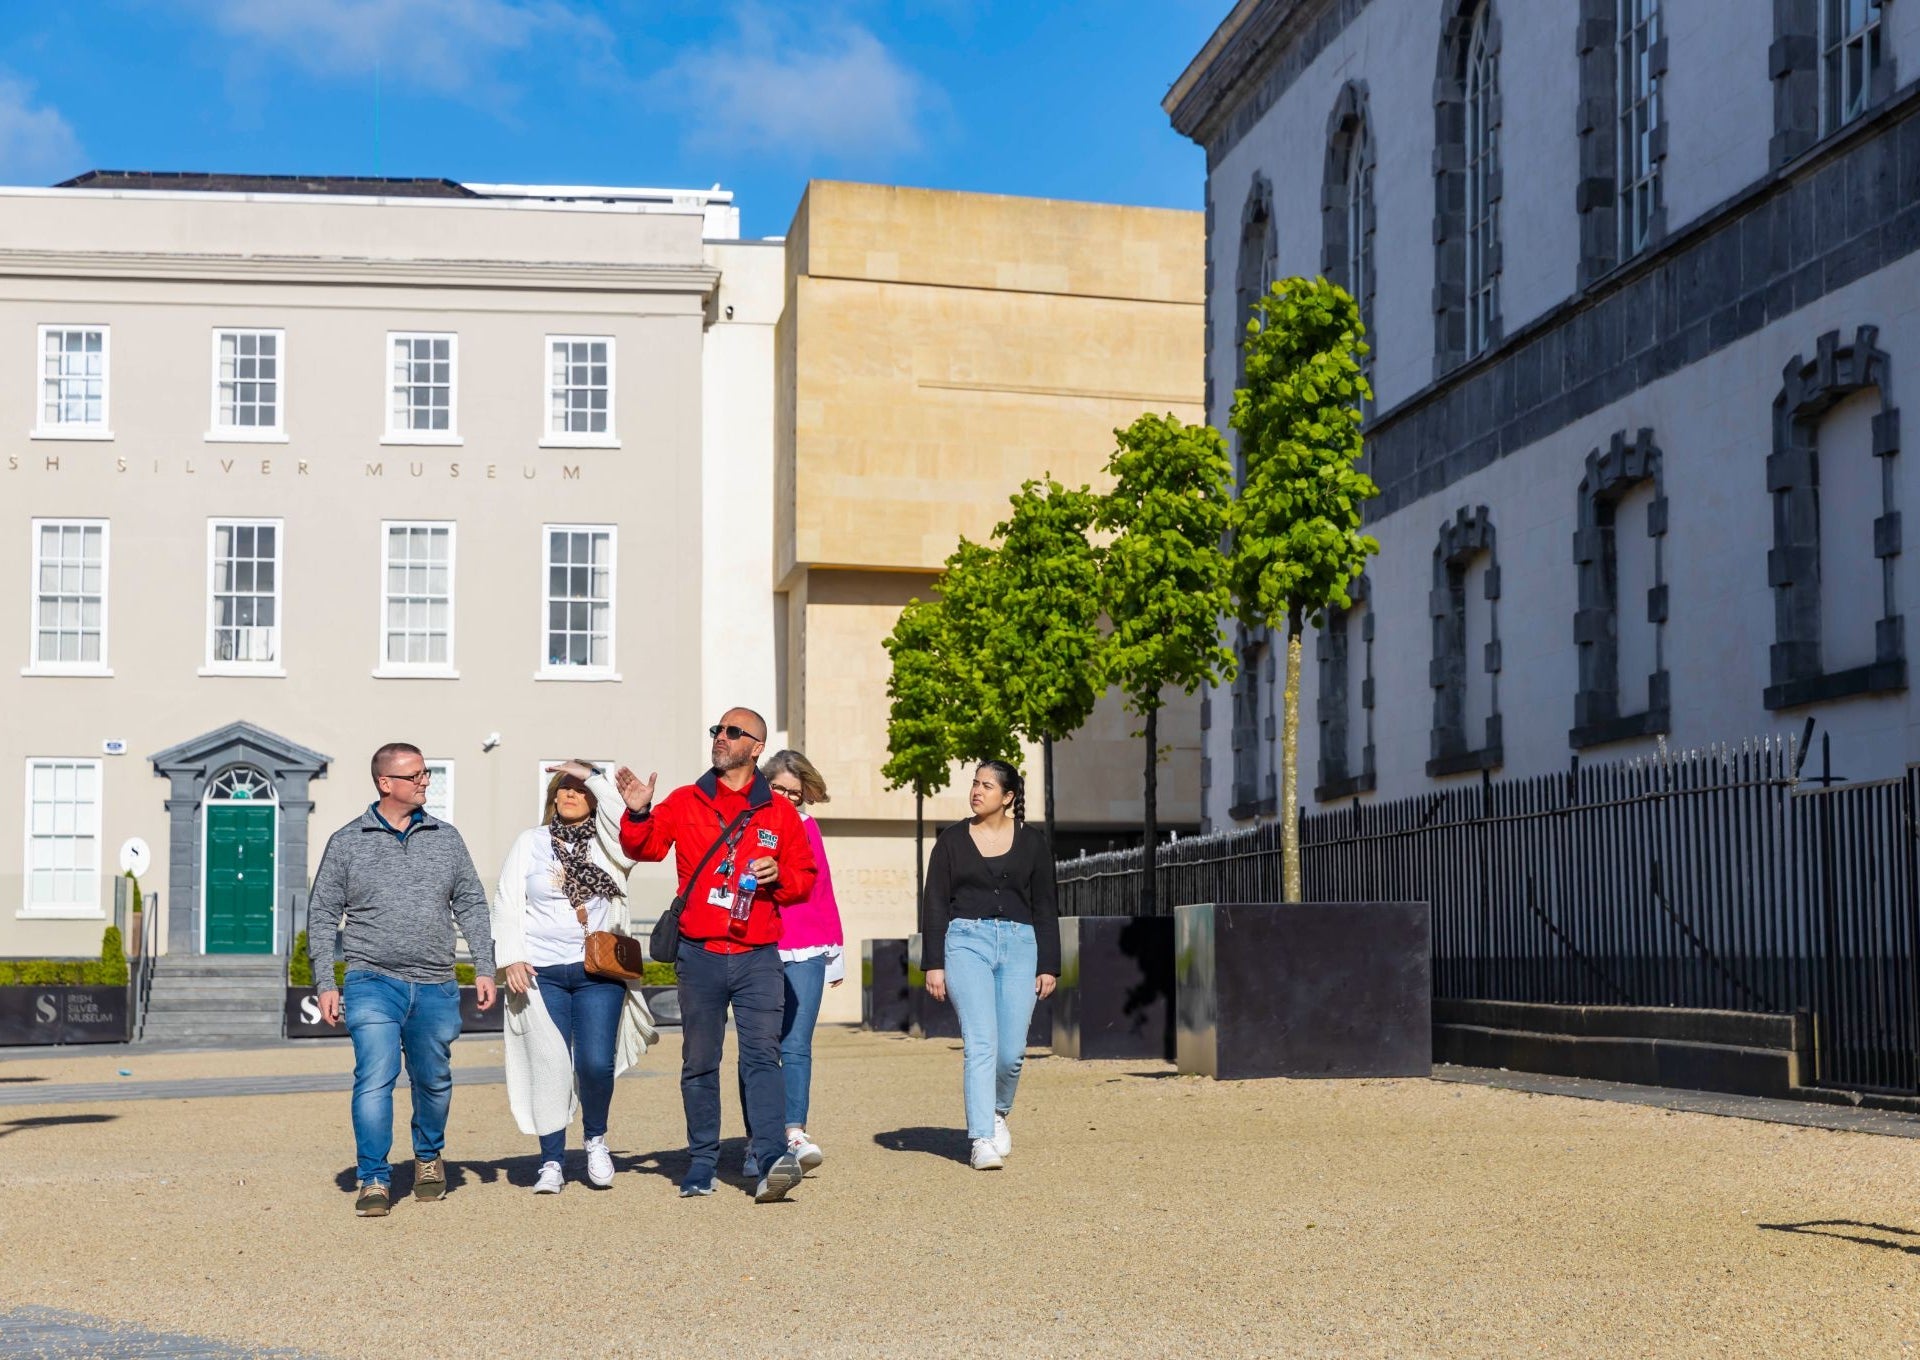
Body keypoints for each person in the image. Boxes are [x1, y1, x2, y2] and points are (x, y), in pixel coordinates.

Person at [614, 707, 818, 1203]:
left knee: (762, 1059)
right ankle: (702, 1161)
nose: (720, 738)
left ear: (755, 748)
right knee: (700, 1061)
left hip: (758, 956)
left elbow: (805, 878)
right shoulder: (686, 800)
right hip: (699, 954)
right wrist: (639, 811)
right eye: (717, 731)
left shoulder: (781, 813)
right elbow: (644, 848)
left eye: (732, 732)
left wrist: (780, 876)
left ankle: (770, 1160)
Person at [308, 743, 497, 1217]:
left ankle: (428, 1158)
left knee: (433, 1081)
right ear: (385, 783)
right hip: (372, 980)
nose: (425, 782)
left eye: (426, 773)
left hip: (436, 983)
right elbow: (322, 914)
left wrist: (485, 966)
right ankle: (374, 1177)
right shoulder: (347, 841)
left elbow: (471, 902)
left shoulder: (446, 838)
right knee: (374, 1077)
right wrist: (325, 983)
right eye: (415, 776)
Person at [492, 761, 659, 1196]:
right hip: (540, 973)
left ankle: (595, 1140)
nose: (569, 794)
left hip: (596, 971)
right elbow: (507, 900)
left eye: (578, 789)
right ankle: (551, 1160)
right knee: (550, 1065)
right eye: (563, 788)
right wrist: (510, 957)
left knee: (593, 1062)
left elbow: (618, 815)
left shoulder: (612, 845)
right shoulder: (530, 842)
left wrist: (591, 774)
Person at [920, 760, 1059, 1171]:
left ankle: (997, 1111)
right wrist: (933, 963)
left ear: (1008, 796)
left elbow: (1046, 906)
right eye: (975, 784)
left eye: (986, 786)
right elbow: (934, 904)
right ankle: (980, 1137)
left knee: (1013, 1051)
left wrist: (1048, 963)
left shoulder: (1033, 843)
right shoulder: (950, 842)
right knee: (981, 1043)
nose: (976, 791)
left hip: (1020, 945)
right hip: (966, 942)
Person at [738, 749, 845, 1180]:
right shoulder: (746, 822)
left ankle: (794, 1131)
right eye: (778, 788)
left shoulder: (807, 827)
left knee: (797, 1044)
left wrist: (834, 951)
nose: (785, 797)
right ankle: (757, 1141)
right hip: (757, 943)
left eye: (794, 792)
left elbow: (822, 889)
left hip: (808, 944)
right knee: (758, 1048)